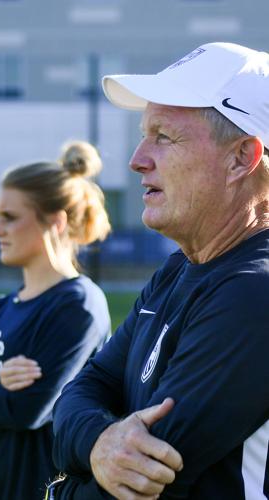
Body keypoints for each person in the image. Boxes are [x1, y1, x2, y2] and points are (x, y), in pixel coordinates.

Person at [51, 42, 269, 499]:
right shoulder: (178, 270)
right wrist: (97, 443)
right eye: (143, 134)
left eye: (163, 137)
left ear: (240, 158)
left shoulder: (254, 293)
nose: (137, 159)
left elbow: (147, 483)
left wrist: (63, 489)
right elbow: (85, 388)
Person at [0, 141, 112, 500]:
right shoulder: (2, 306)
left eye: (10, 217)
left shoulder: (77, 307)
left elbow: (27, 410)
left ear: (56, 221)